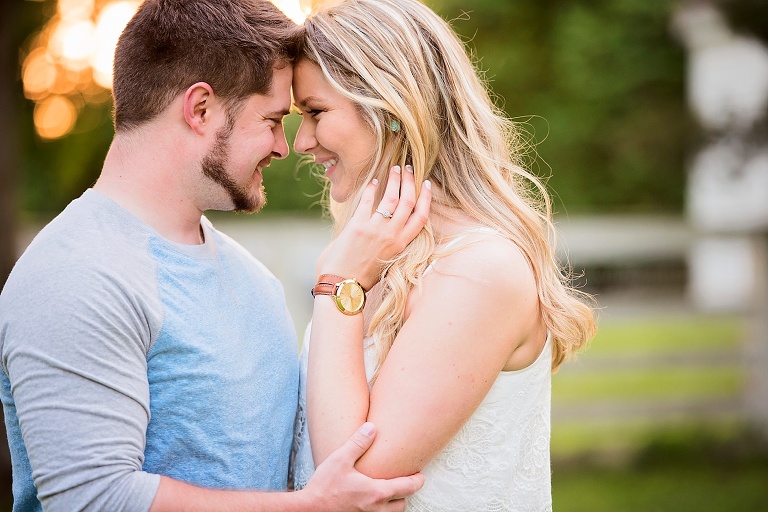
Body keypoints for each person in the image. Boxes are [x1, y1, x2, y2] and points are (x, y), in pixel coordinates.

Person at [0, 0, 426, 510]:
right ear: (199, 108)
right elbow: (93, 498)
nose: (283, 147)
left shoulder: (254, 279)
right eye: (271, 120)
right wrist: (313, 507)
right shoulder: (78, 274)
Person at [290, 0, 598, 510]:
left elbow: (350, 482)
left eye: (316, 113)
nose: (301, 142)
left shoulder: (480, 270)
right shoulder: (377, 256)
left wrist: (338, 285)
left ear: (388, 108)